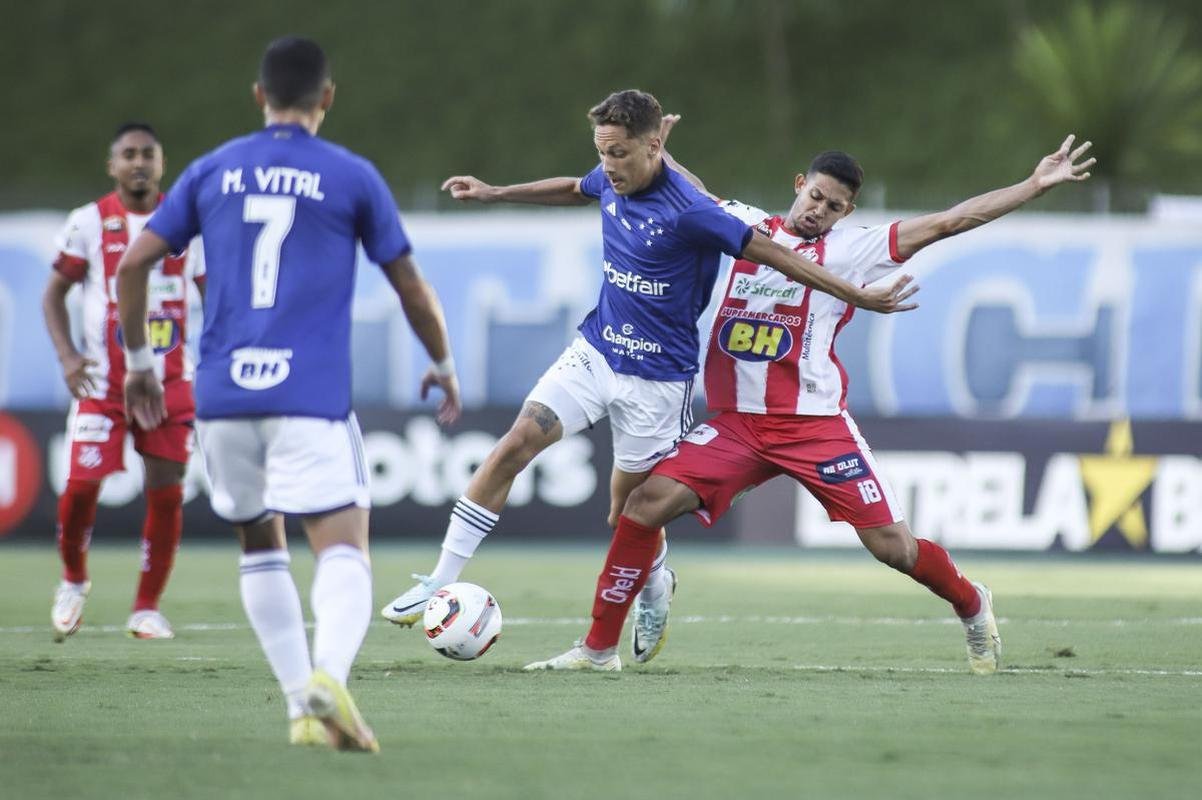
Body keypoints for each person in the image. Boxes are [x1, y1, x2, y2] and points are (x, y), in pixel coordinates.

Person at [525, 130, 1095, 673]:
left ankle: (972, 602)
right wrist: (659, 151)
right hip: (739, 425)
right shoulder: (744, 225)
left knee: (893, 548)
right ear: (800, 184)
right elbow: (689, 190)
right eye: (816, 196)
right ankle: (598, 649)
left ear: (847, 212)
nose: (819, 210)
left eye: (834, 206)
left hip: (814, 427)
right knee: (643, 505)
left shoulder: (854, 249)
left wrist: (1032, 185)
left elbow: (950, 221)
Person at [380, 90, 917, 640]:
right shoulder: (611, 179)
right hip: (596, 351)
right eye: (602, 152)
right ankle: (438, 581)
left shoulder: (692, 211)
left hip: (657, 382)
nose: (608, 166)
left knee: (628, 514)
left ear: (653, 148)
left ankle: (657, 581)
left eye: (618, 154)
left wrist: (856, 294)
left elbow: (776, 254)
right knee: (515, 444)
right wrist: (495, 193)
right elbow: (575, 188)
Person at [116, 37, 459, 752]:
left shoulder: (212, 169)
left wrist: (140, 362)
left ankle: (301, 708)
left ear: (258, 96)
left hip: (221, 395)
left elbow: (134, 265)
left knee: (258, 544)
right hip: (307, 393)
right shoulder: (351, 174)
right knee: (343, 545)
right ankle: (328, 677)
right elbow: (410, 286)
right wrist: (442, 362)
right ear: (326, 97)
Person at [43, 123, 204, 642]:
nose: (139, 162)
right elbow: (54, 294)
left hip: (170, 383)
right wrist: (68, 356)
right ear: (112, 165)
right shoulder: (89, 221)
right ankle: (73, 580)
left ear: (162, 163)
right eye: (128, 154)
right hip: (103, 385)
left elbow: (217, 294)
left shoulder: (190, 224)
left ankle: (146, 608)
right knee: (80, 488)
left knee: (166, 492)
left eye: (147, 154)